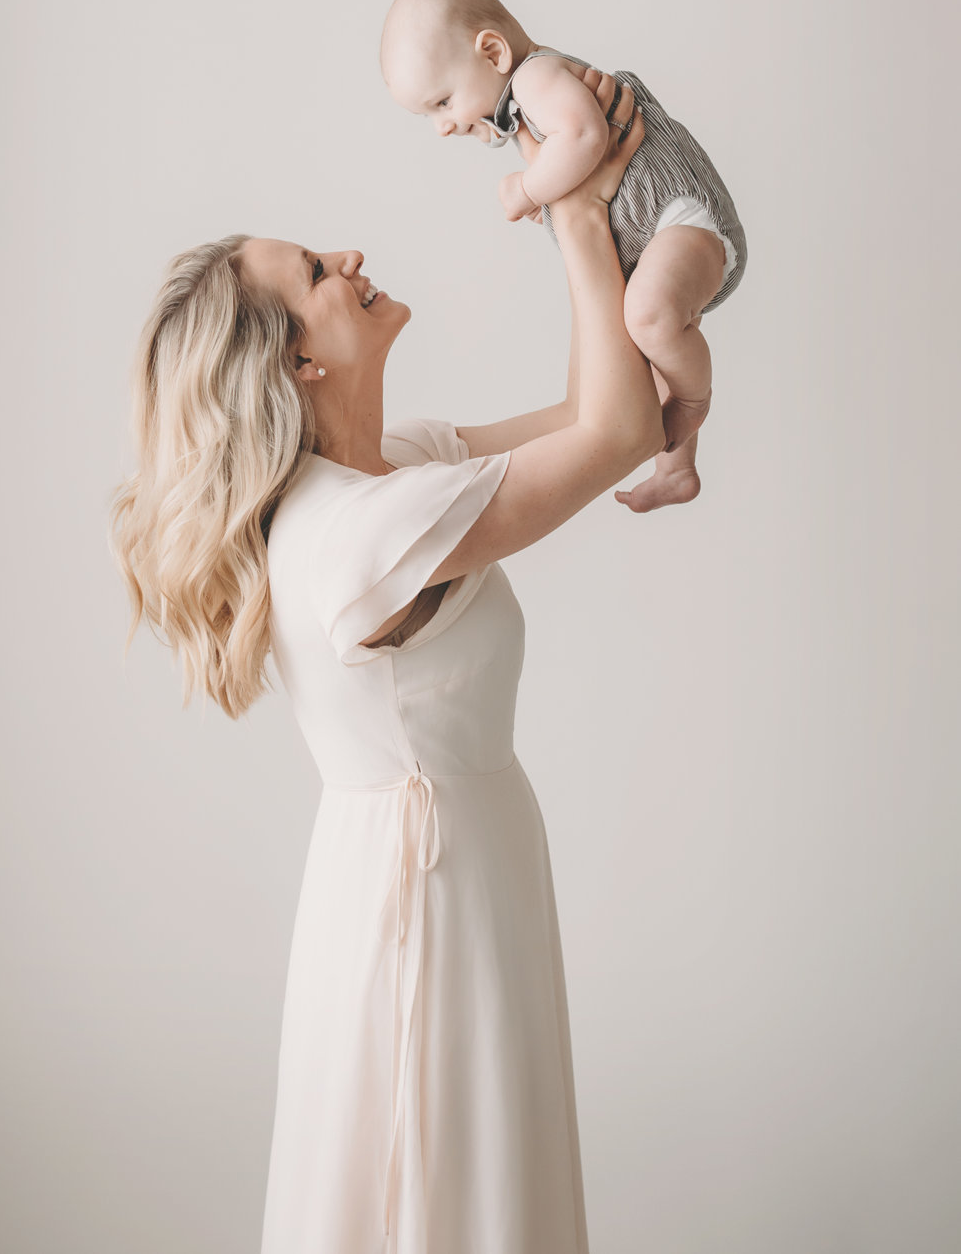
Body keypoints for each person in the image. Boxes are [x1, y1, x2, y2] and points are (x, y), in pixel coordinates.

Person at [109, 82, 662, 1254]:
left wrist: (591, 191)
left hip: (451, 866)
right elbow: (619, 432)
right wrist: (570, 202)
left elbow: (589, 407)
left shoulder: (382, 480)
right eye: (315, 269)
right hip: (432, 893)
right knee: (439, 1189)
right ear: (299, 357)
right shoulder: (364, 535)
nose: (348, 256)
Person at [381, 0, 748, 512]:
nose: (442, 126)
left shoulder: (536, 78)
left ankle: (695, 399)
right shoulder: (520, 106)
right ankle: (676, 468)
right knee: (635, 356)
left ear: (492, 51)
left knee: (646, 320)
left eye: (442, 102)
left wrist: (527, 190)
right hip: (650, 241)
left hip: (681, 219)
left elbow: (586, 136)